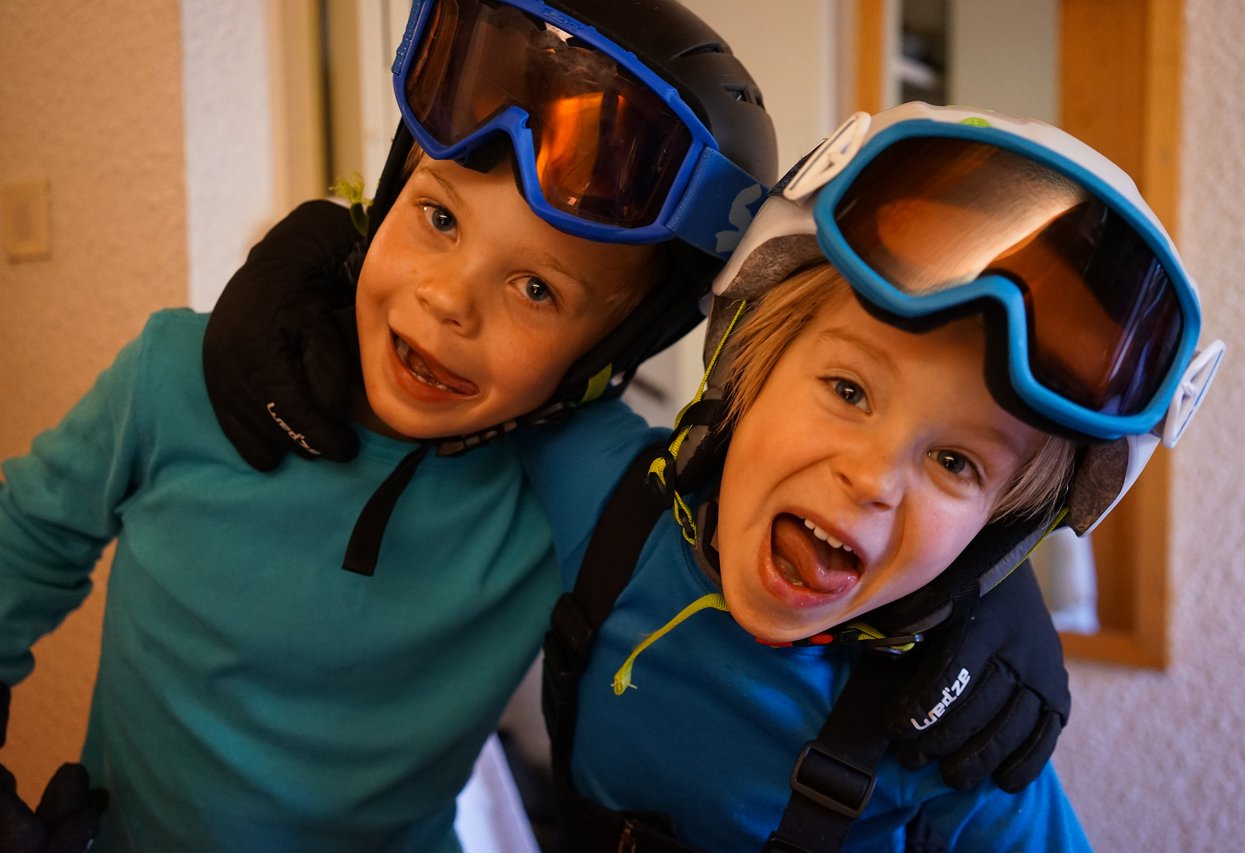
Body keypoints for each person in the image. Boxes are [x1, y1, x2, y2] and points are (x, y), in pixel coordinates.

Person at [0, 1, 777, 850]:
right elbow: (20, 544)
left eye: (537, 289)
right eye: (438, 217)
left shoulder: (575, 495)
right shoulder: (176, 375)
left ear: (609, 352)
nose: (447, 300)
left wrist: (939, 615)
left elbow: (756, 612)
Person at [518, 102, 1225, 850]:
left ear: (995, 534)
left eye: (956, 463)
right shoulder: (606, 496)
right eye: (849, 391)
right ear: (746, 369)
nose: (873, 478)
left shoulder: (947, 736)